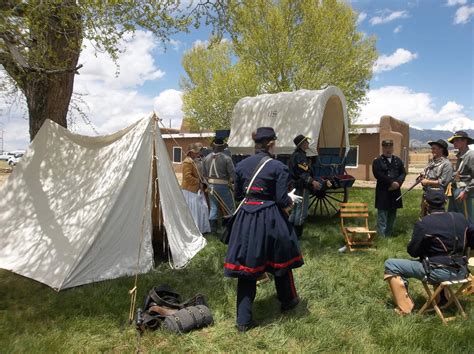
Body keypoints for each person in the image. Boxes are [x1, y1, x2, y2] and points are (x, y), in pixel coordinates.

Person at [224, 127, 304, 332]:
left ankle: (243, 321)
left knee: (246, 270)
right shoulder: (278, 167)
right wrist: (291, 199)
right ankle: (288, 301)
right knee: (281, 262)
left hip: (245, 219)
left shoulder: (241, 165)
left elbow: (239, 196)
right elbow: (281, 199)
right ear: (271, 144)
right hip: (269, 219)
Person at [383, 188, 471, 315]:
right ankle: (443, 299)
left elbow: (413, 251)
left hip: (438, 272)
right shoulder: (461, 218)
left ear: (426, 203)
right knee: (432, 260)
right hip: (462, 271)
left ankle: (406, 308)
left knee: (390, 264)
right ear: (445, 202)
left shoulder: (424, 223)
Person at [288, 134, 321, 238]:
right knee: (301, 210)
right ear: (302, 144)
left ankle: (290, 233)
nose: (308, 143)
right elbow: (302, 173)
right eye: (306, 142)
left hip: (296, 185)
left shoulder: (296, 155)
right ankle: (297, 235)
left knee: (295, 209)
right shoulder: (300, 156)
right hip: (301, 186)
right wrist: (312, 182)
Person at [372, 139, 406, 237]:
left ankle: (389, 233)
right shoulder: (377, 161)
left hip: (395, 190)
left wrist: (398, 183)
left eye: (390, 147)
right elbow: (378, 174)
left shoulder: (398, 160)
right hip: (383, 191)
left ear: (392, 148)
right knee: (382, 214)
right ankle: (381, 236)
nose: (388, 149)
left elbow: (403, 173)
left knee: (392, 213)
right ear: (382, 148)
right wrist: (391, 182)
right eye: (386, 147)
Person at [203, 137, 236, 233]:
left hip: (210, 186)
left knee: (213, 207)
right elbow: (233, 174)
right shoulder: (227, 158)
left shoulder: (206, 158)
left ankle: (213, 231)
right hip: (223, 186)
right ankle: (228, 230)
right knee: (229, 207)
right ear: (222, 147)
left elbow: (204, 174)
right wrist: (233, 184)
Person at [181, 143, 211, 234]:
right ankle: (194, 229)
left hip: (196, 189)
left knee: (202, 209)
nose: (197, 154)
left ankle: (201, 229)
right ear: (190, 152)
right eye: (196, 152)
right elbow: (187, 177)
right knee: (194, 210)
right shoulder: (187, 162)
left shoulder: (193, 161)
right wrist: (199, 182)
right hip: (190, 190)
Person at [419, 139, 453, 216]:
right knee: (425, 217)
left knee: (436, 219)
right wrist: (423, 176)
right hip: (427, 194)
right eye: (432, 148)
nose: (432, 151)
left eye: (434, 148)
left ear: (441, 149)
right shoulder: (432, 162)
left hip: (438, 198)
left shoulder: (447, 164)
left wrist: (427, 182)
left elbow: (443, 182)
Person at [447, 130, 474, 221]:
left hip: (463, 191)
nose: (454, 143)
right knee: (453, 217)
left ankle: (469, 235)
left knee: (466, 219)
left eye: (457, 140)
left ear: (465, 141)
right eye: (454, 141)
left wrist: (466, 191)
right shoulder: (460, 155)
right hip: (456, 189)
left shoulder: (471, 155)